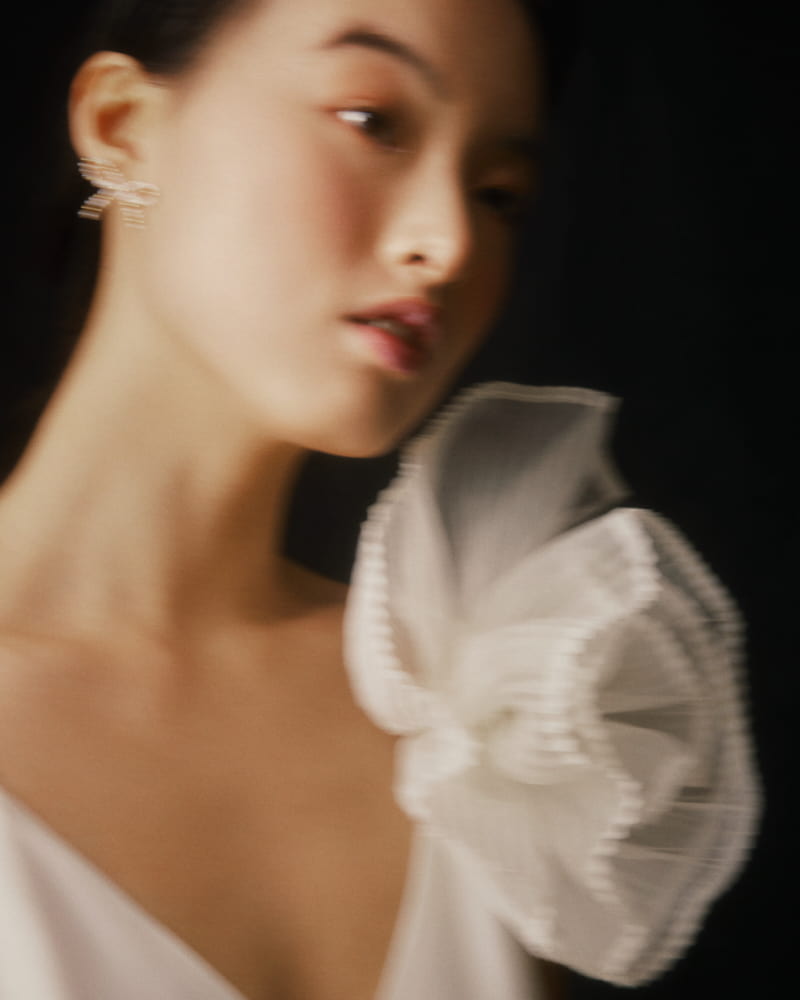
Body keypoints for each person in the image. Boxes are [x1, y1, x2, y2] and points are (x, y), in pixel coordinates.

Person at [0, 1, 758, 998]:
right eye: (373, 121)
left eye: (497, 193)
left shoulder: (480, 711)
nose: (445, 243)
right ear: (121, 124)